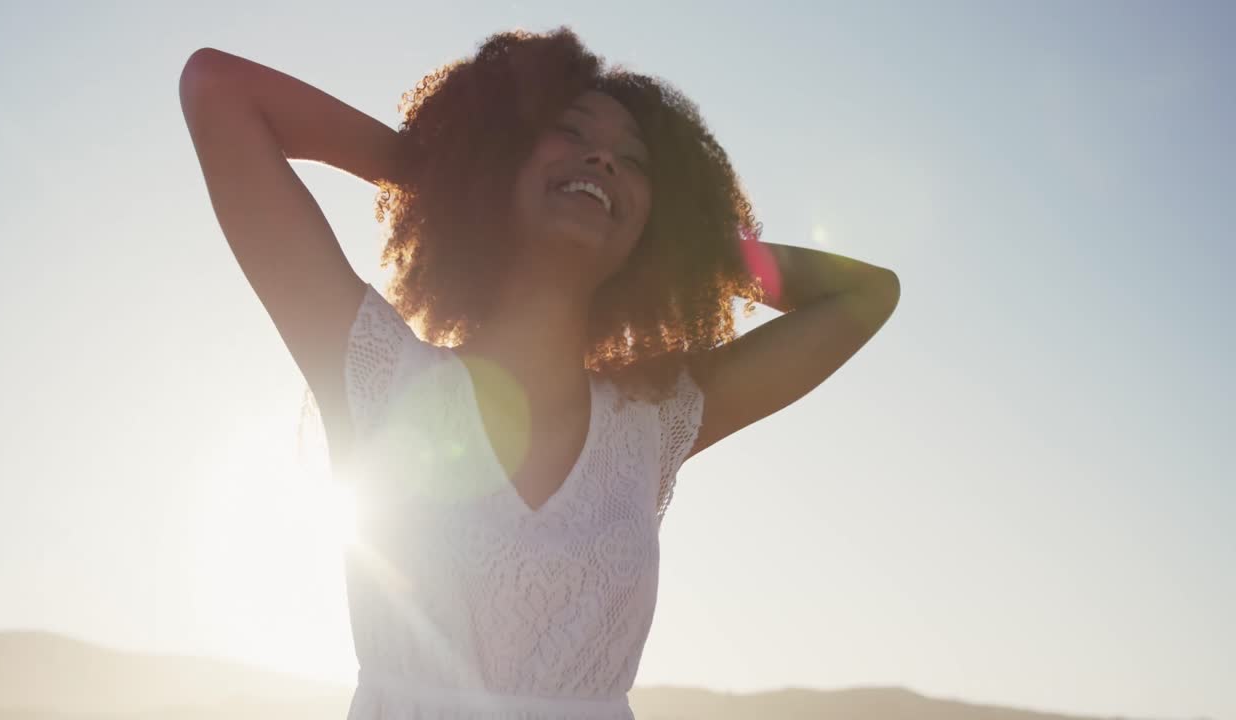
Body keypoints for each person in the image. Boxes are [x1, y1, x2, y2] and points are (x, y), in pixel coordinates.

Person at [179, 27, 899, 720]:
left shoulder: (652, 424)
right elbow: (219, 87)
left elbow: (866, 296)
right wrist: (448, 171)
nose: (604, 160)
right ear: (500, 162)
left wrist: (679, 237)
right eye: (573, 134)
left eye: (635, 163)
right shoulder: (377, 374)